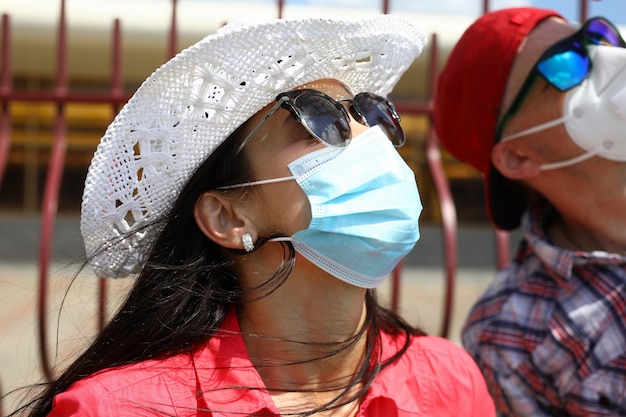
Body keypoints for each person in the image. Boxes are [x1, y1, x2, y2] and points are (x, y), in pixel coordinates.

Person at [14, 15, 495, 417]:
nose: (366, 137)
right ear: (228, 217)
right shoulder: (115, 409)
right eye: (318, 120)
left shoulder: (451, 382)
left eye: (370, 113)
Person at [434, 6, 626, 417]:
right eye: (566, 62)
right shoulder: (514, 336)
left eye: (600, 38)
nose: (610, 59)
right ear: (519, 156)